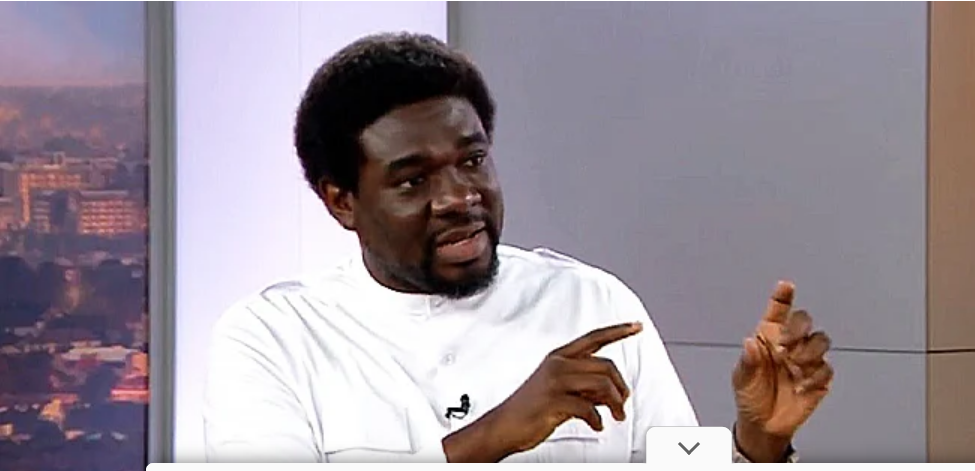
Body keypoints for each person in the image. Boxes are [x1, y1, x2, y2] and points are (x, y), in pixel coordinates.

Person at [202, 32, 833, 463]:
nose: (459, 196)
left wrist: (758, 445)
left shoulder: (593, 305)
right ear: (341, 201)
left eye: (472, 160)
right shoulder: (273, 338)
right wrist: (493, 437)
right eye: (414, 180)